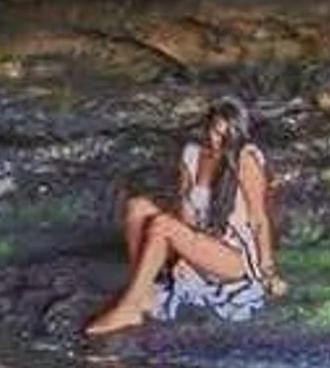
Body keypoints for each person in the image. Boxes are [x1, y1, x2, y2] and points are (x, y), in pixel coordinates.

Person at [84, 97, 287, 336]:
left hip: (234, 256)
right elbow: (185, 213)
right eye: (214, 131)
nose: (217, 140)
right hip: (200, 240)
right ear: (206, 126)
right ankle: (143, 289)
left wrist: (269, 272)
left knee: (162, 225)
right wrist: (185, 254)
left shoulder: (245, 159)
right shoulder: (192, 155)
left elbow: (258, 219)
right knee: (137, 207)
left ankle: (130, 307)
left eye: (226, 136)